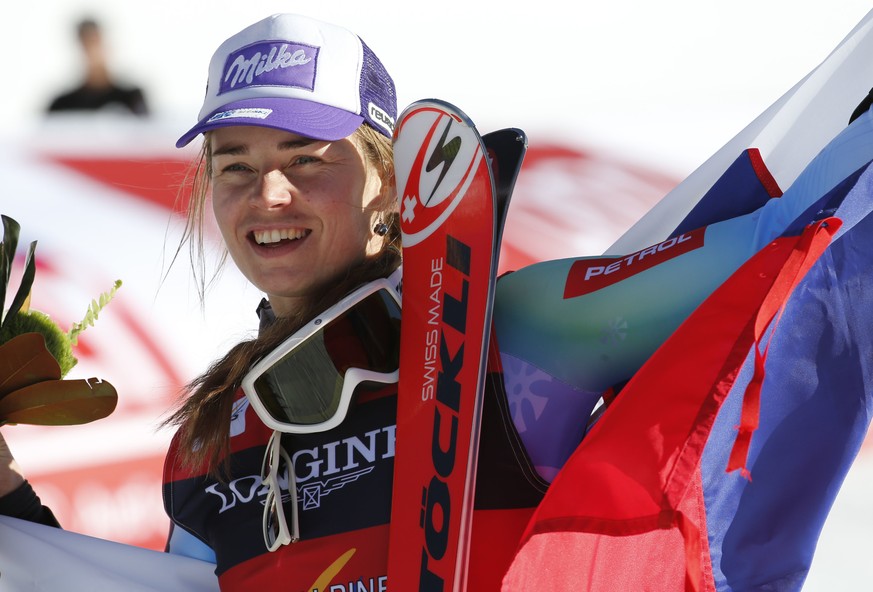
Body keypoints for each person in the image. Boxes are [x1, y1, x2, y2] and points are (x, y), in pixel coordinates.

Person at [3, 11, 866, 592]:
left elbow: (782, 253)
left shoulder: (522, 333)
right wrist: (10, 511)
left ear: (389, 182)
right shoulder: (209, 436)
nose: (268, 194)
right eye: (236, 167)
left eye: (308, 159)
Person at [46, 17, 149, 116]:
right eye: (86, 45)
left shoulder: (132, 98)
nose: (92, 52)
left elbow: (147, 130)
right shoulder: (62, 105)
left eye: (95, 42)